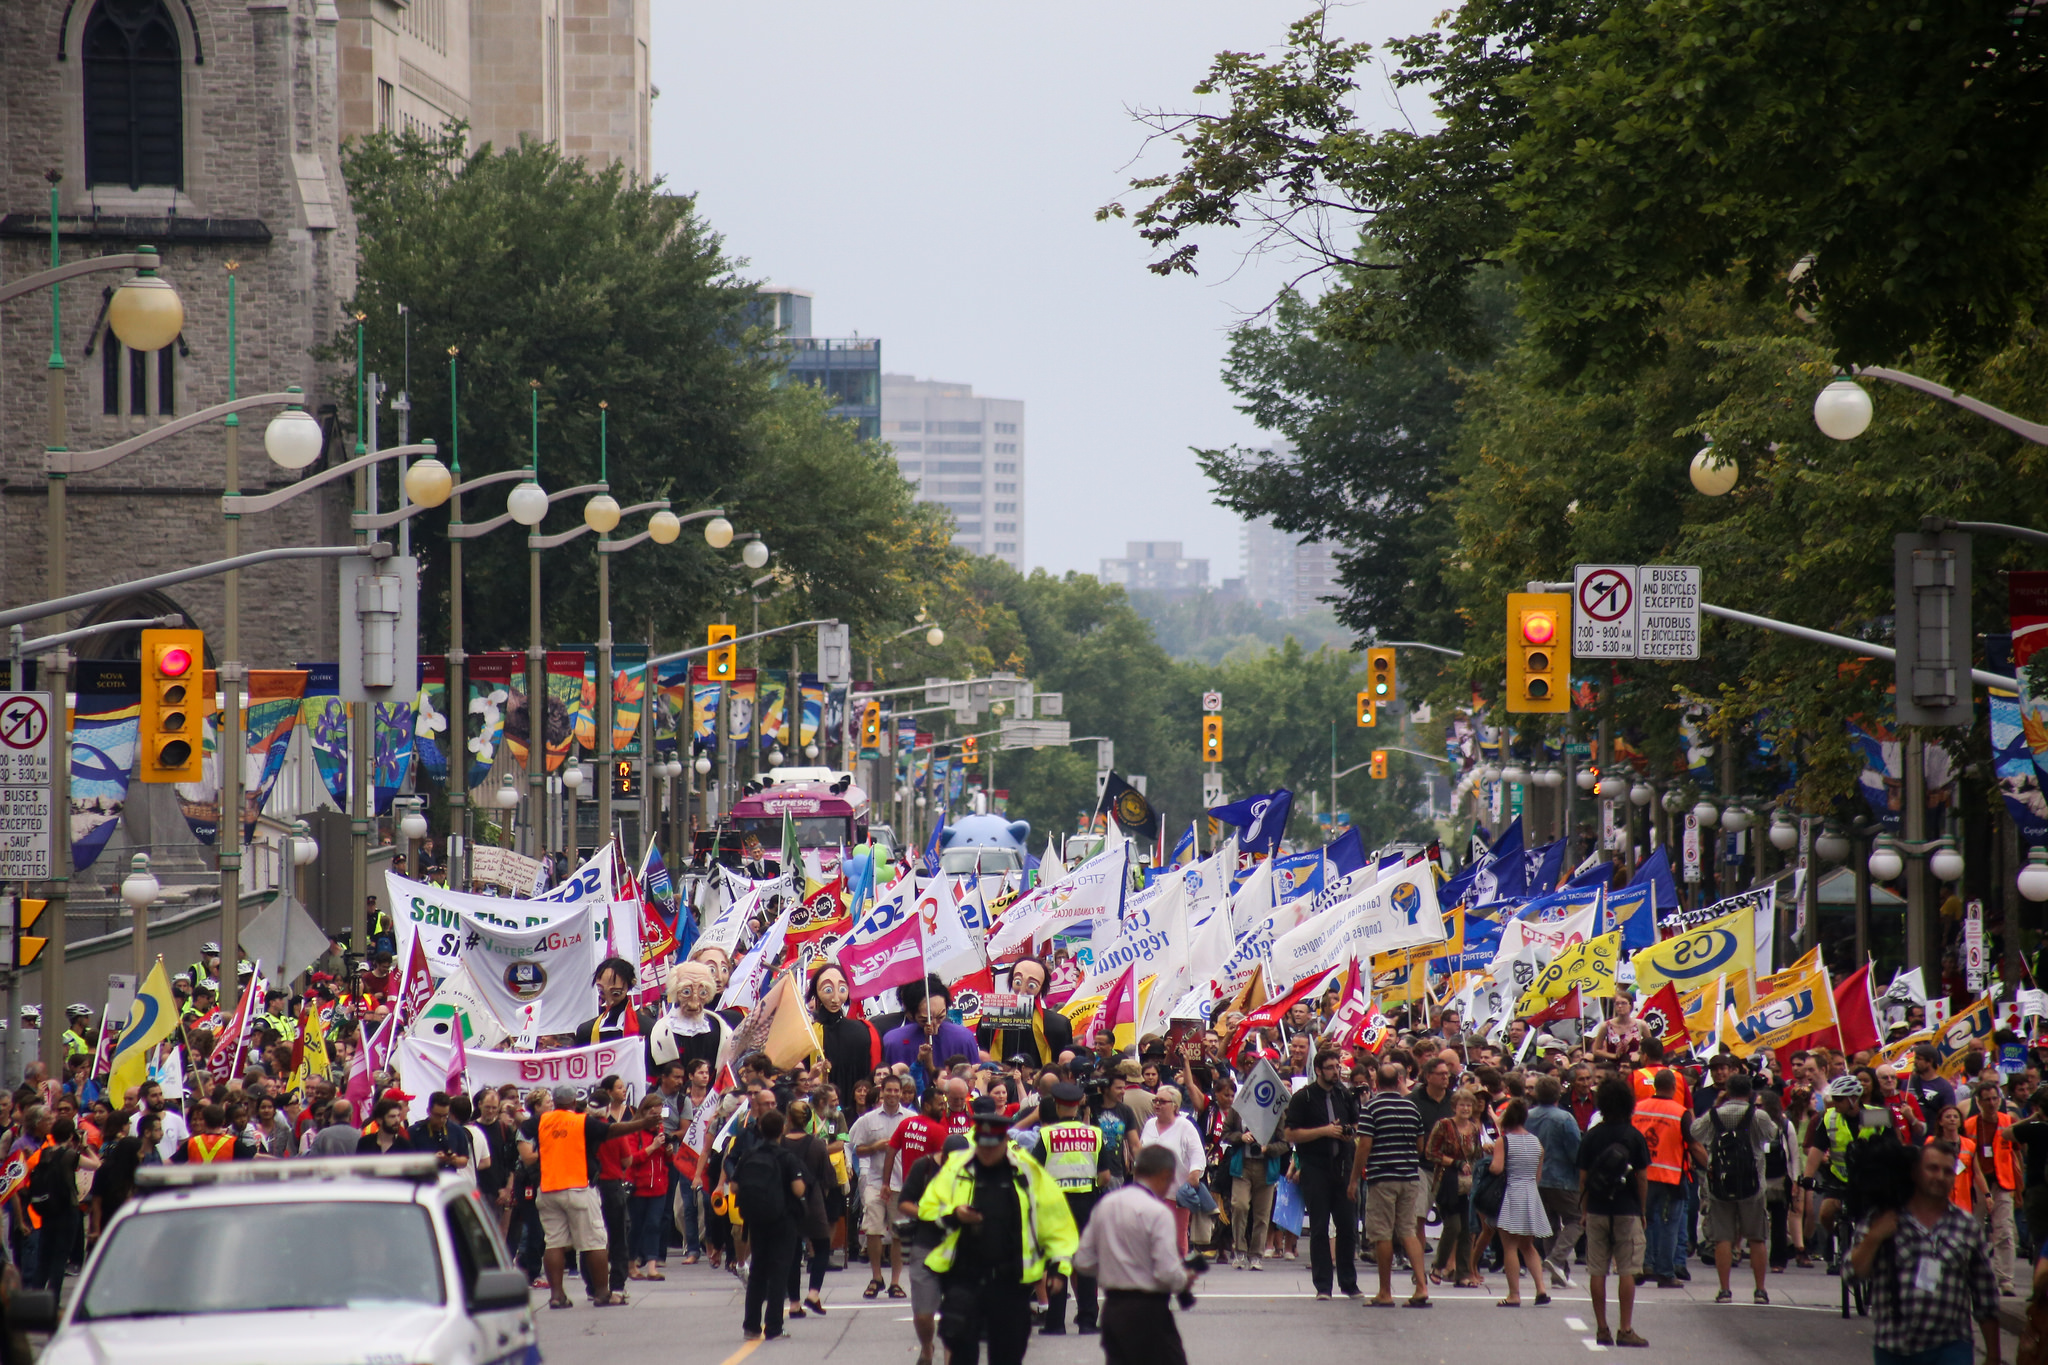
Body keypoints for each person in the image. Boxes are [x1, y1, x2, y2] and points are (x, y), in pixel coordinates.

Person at [916, 1105, 1078, 1365]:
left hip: (1011, 1281)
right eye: (982, 1144)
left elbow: (1056, 1221)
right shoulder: (957, 1168)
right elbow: (927, 1209)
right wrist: (955, 1214)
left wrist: (1059, 1267)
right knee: (960, 1349)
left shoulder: (1027, 1171)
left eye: (993, 1145)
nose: (987, 1151)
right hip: (963, 1276)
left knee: (1008, 1352)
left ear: (1005, 1141)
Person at [1849, 1141, 2002, 1365]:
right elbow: (1852, 1275)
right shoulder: (1883, 1218)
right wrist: (1874, 1237)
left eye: (1948, 1171)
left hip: (1951, 1346)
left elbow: (1985, 1295)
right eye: (1932, 1168)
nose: (1940, 1176)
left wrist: (1993, 1355)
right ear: (1916, 1173)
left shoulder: (1966, 1227)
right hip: (1894, 1349)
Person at [1073, 1143, 1205, 1365]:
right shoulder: (1157, 1212)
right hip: (1148, 1310)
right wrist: (1184, 1278)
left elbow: (1083, 1261)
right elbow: (1166, 1272)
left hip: (1113, 1308)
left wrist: (1112, 1266)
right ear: (1164, 1174)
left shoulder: (1105, 1205)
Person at [535, 1082, 661, 1309]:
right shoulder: (581, 1123)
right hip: (581, 1186)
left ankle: (557, 1295)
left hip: (548, 1187)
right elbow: (612, 1132)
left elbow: (523, 1128)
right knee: (594, 1242)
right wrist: (642, 1123)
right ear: (574, 1102)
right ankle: (603, 1292)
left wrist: (514, 1114)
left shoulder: (543, 1121)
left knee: (554, 1243)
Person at [1027, 1080, 1111, 1334]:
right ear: (1077, 1105)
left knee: (1057, 1261)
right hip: (1086, 1202)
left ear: (1056, 1105)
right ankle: (1087, 1320)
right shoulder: (1094, 1133)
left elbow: (1034, 1172)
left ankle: (1054, 1323)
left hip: (1055, 1205)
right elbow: (1105, 1176)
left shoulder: (1047, 1135)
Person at [1690, 1070, 1776, 1305]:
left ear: (1727, 1092)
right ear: (1750, 1093)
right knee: (1757, 1238)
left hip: (1720, 1182)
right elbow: (1772, 1135)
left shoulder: (1716, 1115)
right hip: (1753, 1183)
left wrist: (1715, 1107)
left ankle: (1725, 1290)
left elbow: (1695, 1131)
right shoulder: (1757, 1116)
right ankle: (1760, 1290)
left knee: (1723, 1239)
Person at [1282, 1047, 1361, 1300]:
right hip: (1315, 1167)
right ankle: (1323, 1286)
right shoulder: (1303, 1098)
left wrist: (1347, 1131)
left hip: (1342, 1167)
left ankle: (1349, 1283)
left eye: (1338, 1067)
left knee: (1347, 1226)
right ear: (1318, 1070)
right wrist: (1324, 1131)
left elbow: (1356, 1124)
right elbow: (1291, 1134)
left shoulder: (1344, 1095)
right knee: (1318, 1227)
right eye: (1330, 1068)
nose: (1335, 1072)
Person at [1349, 1062, 1430, 1308]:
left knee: (1382, 1233)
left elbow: (1364, 1145)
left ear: (1376, 1084)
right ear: (1398, 1082)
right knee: (1407, 1231)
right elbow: (1420, 1145)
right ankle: (1421, 1287)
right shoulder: (1411, 1107)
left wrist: (1354, 1179)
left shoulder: (1371, 1107)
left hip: (1382, 1176)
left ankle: (1385, 1291)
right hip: (1409, 1175)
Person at [1576, 1077, 1650, 1347]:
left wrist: (1584, 1210)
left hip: (1596, 1207)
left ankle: (1602, 1328)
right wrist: (1641, 1209)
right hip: (1626, 1207)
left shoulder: (1592, 1136)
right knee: (1627, 1269)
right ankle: (1626, 1328)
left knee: (1598, 1270)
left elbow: (1583, 1178)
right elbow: (1642, 1177)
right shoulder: (1634, 1136)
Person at [733, 1109, 809, 1341]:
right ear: (783, 1129)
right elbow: (798, 1189)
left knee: (757, 1271)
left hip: (756, 1219)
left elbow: (735, 1187)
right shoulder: (787, 1158)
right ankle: (774, 1326)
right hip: (782, 1220)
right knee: (779, 1272)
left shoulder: (748, 1155)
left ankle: (751, 1325)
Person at [900, 1135, 969, 1365]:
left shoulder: (973, 1171)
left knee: (955, 1312)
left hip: (960, 1248)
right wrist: (929, 1214)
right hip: (927, 1245)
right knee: (923, 1312)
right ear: (943, 1155)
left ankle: (951, 1358)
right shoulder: (925, 1166)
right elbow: (904, 1202)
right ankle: (927, 1347)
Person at [851, 1072, 912, 1299]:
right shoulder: (868, 1120)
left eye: (897, 1090)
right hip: (875, 1182)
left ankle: (895, 1282)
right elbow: (855, 1148)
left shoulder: (910, 1118)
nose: (893, 1094)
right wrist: (874, 1147)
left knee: (898, 1234)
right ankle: (876, 1277)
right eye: (889, 1090)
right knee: (873, 1230)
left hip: (901, 1183)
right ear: (882, 1092)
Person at [1489, 1098, 1553, 1307]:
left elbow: (1497, 1169)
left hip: (1512, 1192)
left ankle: (1514, 1294)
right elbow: (1538, 1175)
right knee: (1528, 1245)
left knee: (1509, 1246)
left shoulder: (1503, 1141)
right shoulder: (1536, 1142)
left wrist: (1490, 1160)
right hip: (1530, 1193)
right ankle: (1541, 1288)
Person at [1960, 1077, 2020, 1296]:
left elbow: (2016, 1154)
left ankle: (2006, 1280)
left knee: (2004, 1231)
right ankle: (1974, 1275)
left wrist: (2019, 1188)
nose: (1992, 1103)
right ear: (1978, 1102)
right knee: (1973, 1230)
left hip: (2003, 1183)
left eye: (1995, 1098)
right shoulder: (1968, 1125)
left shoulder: (2008, 1121)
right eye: (1987, 1099)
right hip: (1976, 1183)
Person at [1632, 1067, 1689, 1288]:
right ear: (1674, 1088)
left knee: (1643, 1222)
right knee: (1669, 1225)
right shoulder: (1680, 1112)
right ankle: (1665, 1272)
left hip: (1642, 1174)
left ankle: (1643, 1266)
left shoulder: (1637, 1109)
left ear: (1655, 1086)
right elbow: (1692, 1144)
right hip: (1670, 1177)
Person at [1524, 1073, 1582, 1289]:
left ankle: (1559, 1273)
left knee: (1549, 1225)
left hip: (1535, 1177)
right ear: (1559, 1094)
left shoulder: (1527, 1116)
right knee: (1576, 1219)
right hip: (1563, 1178)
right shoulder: (1564, 1118)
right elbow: (1575, 1150)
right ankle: (1557, 1260)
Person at [1137, 1085, 1204, 1255]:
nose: (1157, 1105)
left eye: (1162, 1102)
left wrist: (1194, 1174)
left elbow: (1197, 1155)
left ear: (1175, 1105)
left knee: (1176, 1236)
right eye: (1156, 1101)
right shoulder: (1150, 1124)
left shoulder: (1185, 1126)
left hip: (1176, 1193)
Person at [979, 957, 1074, 1067]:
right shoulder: (992, 1018)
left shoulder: (1059, 1024)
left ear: (1042, 987)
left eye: (1032, 985)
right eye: (1018, 981)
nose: (1023, 990)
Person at [648, 961, 731, 1071]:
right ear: (675, 991)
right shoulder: (657, 1033)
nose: (694, 1004)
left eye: (702, 993)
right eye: (686, 992)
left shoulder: (721, 1030)